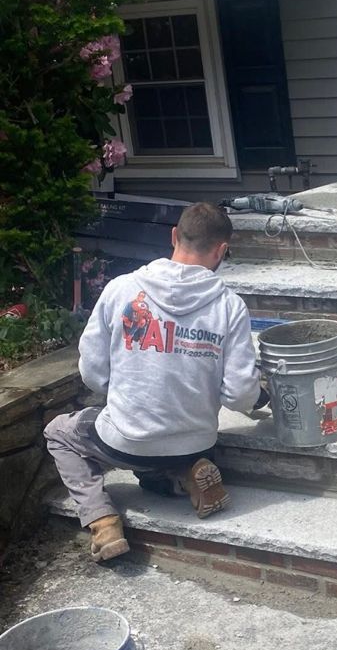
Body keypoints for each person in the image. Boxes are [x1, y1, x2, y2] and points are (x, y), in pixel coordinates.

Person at [45, 202, 264, 562]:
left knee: (58, 432)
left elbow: (92, 373)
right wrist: (257, 397)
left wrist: (125, 390)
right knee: (153, 471)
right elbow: (240, 393)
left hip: (126, 439)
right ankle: (187, 474)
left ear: (174, 236)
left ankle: (102, 521)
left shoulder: (121, 289)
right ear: (221, 250)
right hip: (196, 442)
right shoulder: (230, 306)